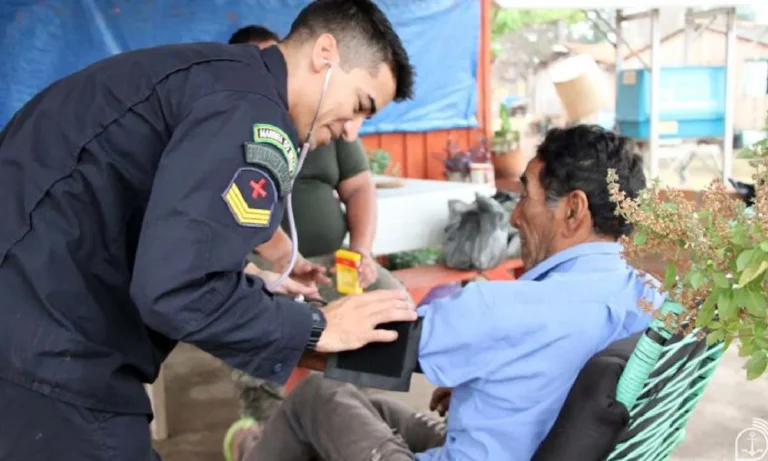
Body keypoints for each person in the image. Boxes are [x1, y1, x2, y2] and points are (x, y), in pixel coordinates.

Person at [0, 0, 417, 460]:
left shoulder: (217, 78)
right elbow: (175, 290)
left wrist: (243, 279)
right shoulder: (252, 114)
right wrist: (318, 328)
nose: (352, 132)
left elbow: (160, 233)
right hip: (51, 342)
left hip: (36, 306)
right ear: (325, 53)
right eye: (360, 105)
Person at [223, 124, 666, 461]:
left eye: (524, 196)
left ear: (573, 210)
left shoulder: (503, 307)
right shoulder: (648, 294)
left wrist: (244, 312)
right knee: (367, 402)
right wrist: (500, 384)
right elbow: (572, 368)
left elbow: (350, 351)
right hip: (532, 445)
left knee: (317, 394)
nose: (513, 220)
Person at [226, 23, 409, 419]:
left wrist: (361, 252)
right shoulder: (233, 123)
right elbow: (240, 211)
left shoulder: (334, 117)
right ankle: (262, 427)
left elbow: (359, 188)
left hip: (330, 263)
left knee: (392, 306)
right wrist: (278, 261)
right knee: (254, 322)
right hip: (259, 268)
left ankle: (356, 413)